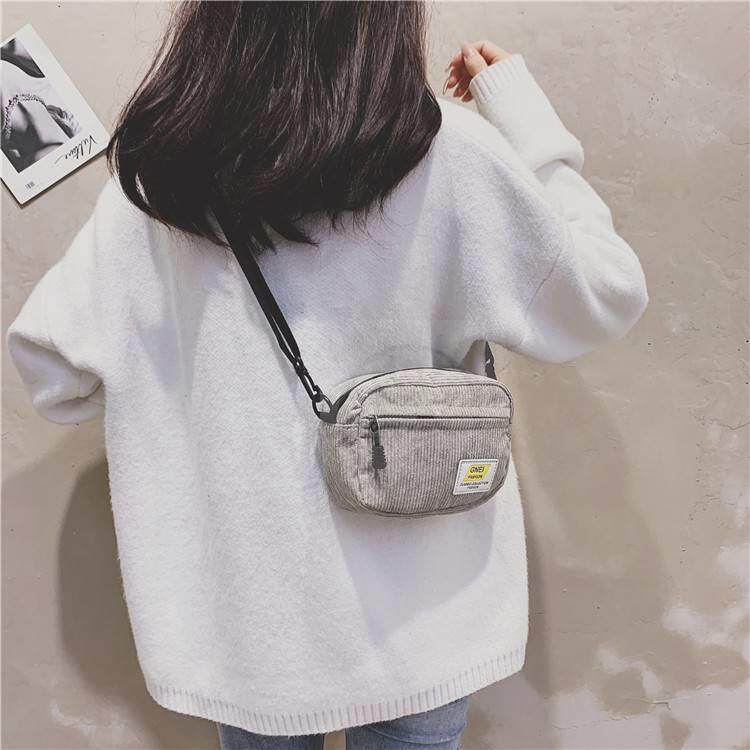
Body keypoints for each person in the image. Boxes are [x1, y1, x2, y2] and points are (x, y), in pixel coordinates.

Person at [5, 3, 649, 749]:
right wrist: (529, 127)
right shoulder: (449, 155)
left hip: (253, 635)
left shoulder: (155, 188)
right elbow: (604, 295)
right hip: (425, 621)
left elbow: (53, 374)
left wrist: (184, 383)